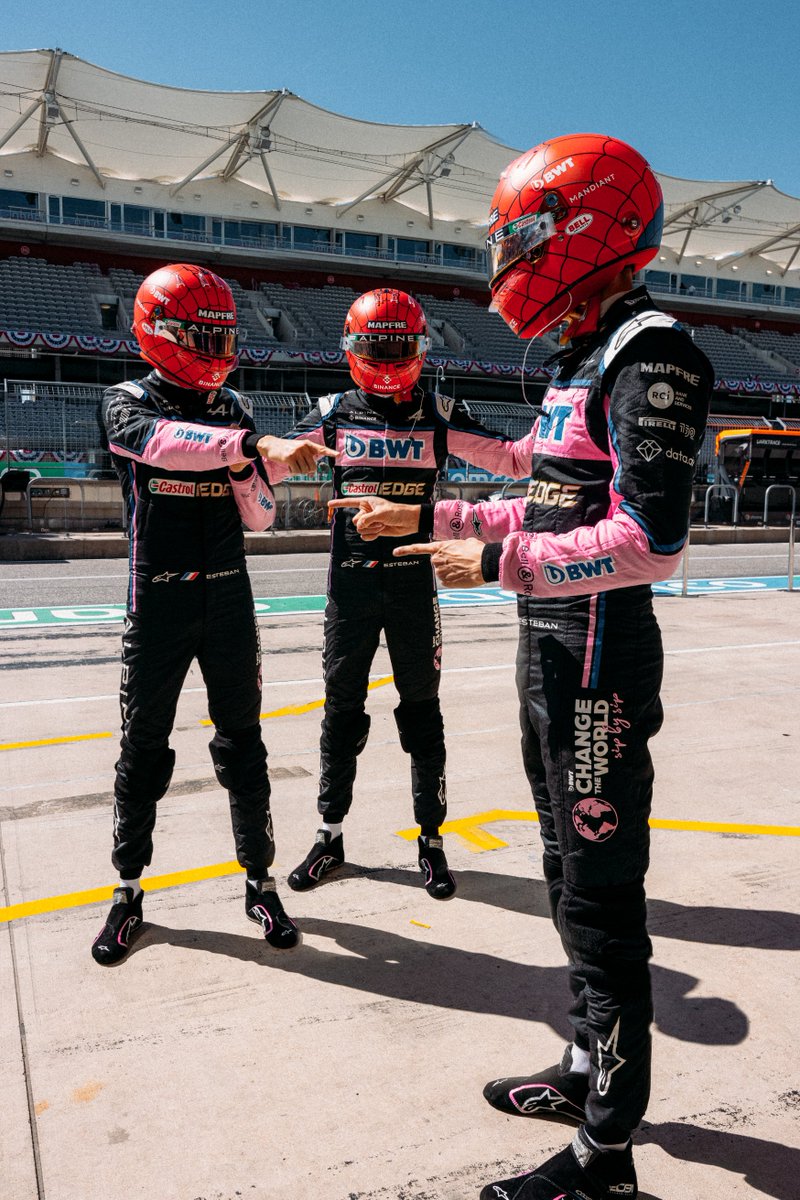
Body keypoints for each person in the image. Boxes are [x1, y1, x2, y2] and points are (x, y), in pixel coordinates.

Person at [337, 136, 714, 1200]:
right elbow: (545, 499)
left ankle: (604, 1159)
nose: (504, 254)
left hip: (594, 660)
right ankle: (582, 1065)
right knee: (558, 875)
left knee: (599, 898)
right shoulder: (577, 356)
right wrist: (425, 514)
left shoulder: (652, 355)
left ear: (580, 225)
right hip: (547, 649)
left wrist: (494, 558)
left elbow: (652, 539)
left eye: (519, 234)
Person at [92, 262, 335, 965]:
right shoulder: (124, 401)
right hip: (158, 599)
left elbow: (258, 518)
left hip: (230, 596)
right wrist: (248, 448)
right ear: (160, 331)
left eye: (223, 335)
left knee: (243, 750)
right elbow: (161, 443)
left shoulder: (232, 410)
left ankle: (260, 883)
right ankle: (128, 893)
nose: (216, 349)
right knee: (143, 753)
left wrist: (254, 470)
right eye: (204, 335)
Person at [272, 287, 535, 900]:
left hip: (417, 587)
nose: (389, 360)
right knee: (342, 715)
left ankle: (432, 840)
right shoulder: (332, 411)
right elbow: (270, 461)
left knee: (422, 715)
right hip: (350, 591)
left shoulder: (438, 412)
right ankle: (329, 835)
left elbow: (515, 461)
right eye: (376, 347)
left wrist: (566, 419)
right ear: (353, 348)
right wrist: (269, 447)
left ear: (420, 349)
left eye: (400, 348)